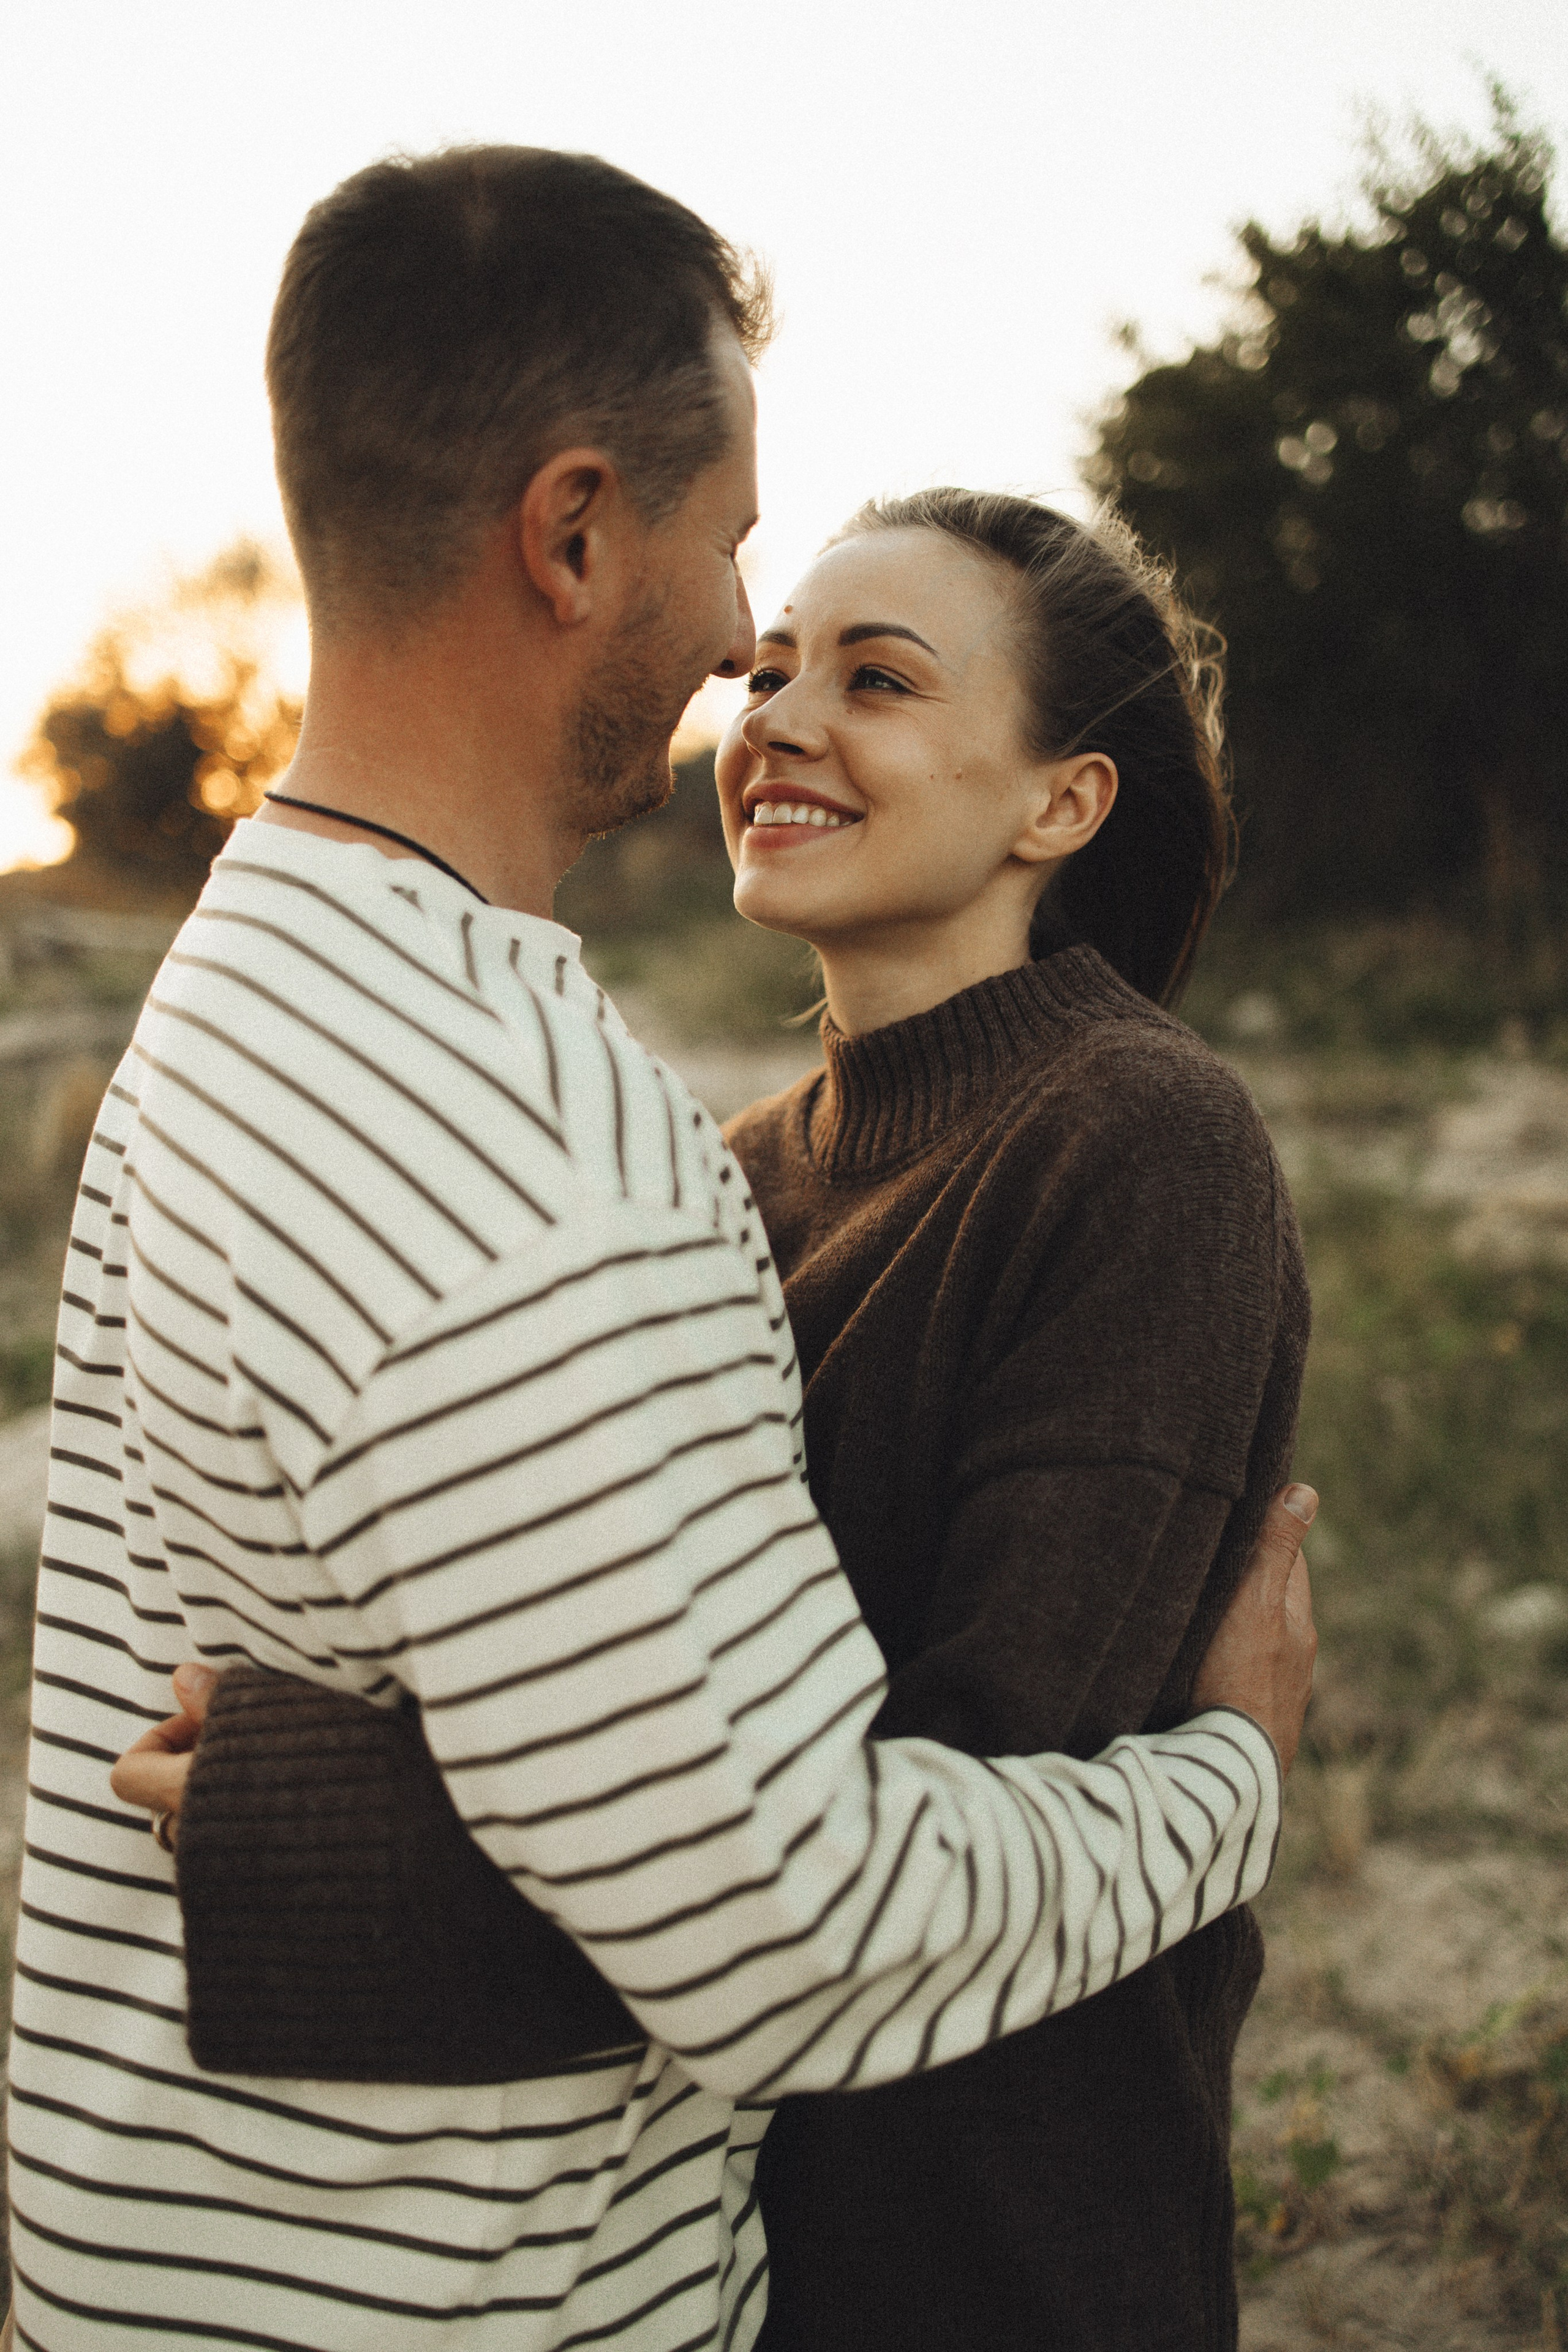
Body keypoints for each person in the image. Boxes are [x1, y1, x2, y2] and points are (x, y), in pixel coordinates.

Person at [24, 145, 1316, 2352]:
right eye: (748, 580)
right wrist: (1233, 1781)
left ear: (1058, 803)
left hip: (974, 2254)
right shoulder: (613, 1151)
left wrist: (342, 1837)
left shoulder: (273, 992)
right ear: (577, 530)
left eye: (871, 676)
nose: (747, 674)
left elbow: (843, 1819)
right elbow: (768, 1878)